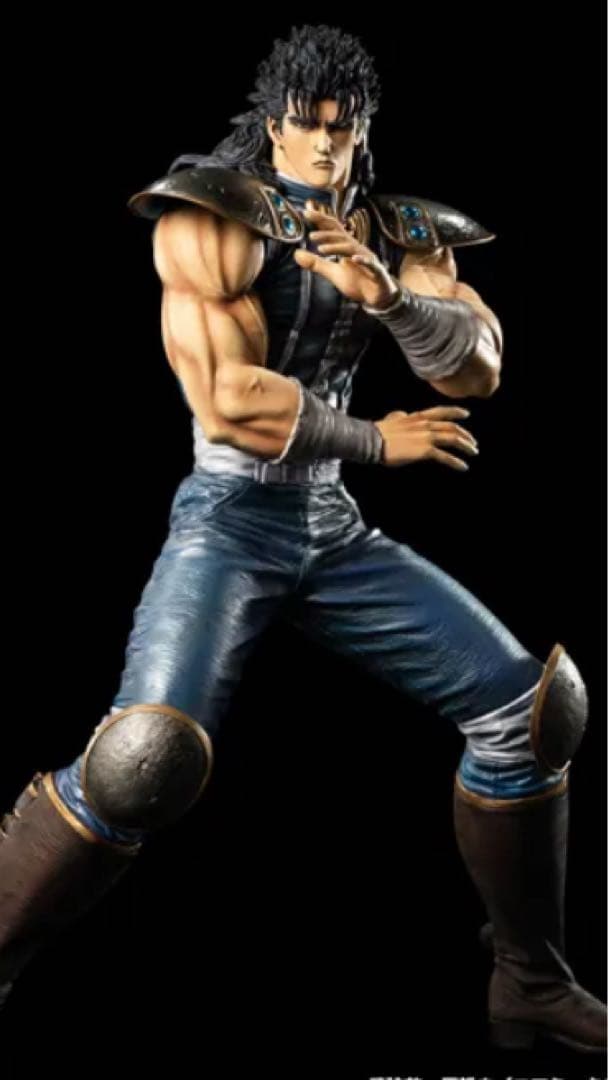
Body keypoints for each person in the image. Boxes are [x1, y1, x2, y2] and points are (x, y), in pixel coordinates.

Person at [0, 24, 604, 1053]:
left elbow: (476, 369)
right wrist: (374, 438)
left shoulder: (395, 227)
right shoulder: (212, 219)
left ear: (362, 127)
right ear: (274, 122)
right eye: (307, 125)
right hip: (230, 519)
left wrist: (390, 298)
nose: (324, 145)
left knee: (533, 714)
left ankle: (529, 985)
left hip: (329, 526)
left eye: (342, 127)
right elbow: (229, 398)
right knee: (143, 761)